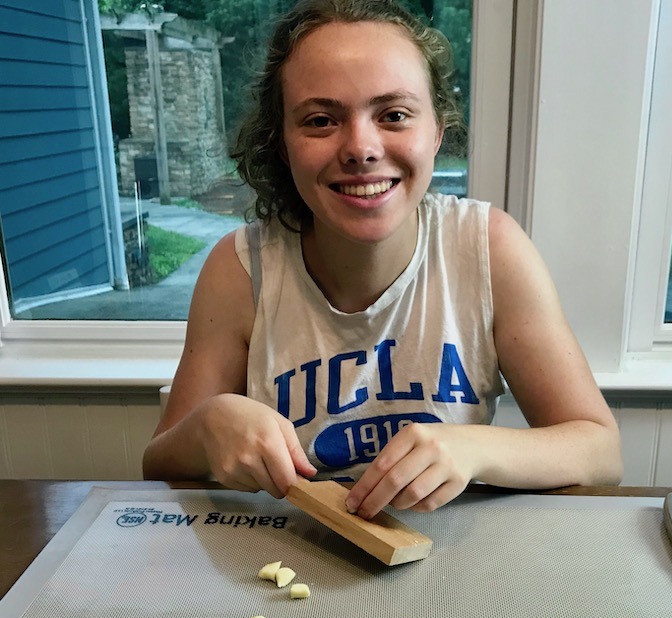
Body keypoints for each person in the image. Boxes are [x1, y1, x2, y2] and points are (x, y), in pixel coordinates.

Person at [143, 0, 623, 518]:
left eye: (394, 114)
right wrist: (208, 425)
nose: (361, 148)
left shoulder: (490, 249)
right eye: (321, 120)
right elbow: (157, 466)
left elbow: (600, 451)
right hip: (281, 563)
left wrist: (477, 448)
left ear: (437, 131)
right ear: (281, 144)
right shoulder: (239, 269)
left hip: (446, 562)